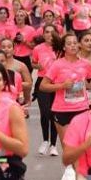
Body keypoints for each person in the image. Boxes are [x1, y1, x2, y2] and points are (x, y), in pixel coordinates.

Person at [41, 32, 91, 141]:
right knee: (68, 149)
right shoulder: (57, 64)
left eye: (75, 43)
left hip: (82, 108)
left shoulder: (86, 64)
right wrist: (62, 86)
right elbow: (43, 86)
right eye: (69, 44)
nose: (73, 45)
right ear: (64, 47)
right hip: (62, 110)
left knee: (81, 146)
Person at [32, 25, 62, 156]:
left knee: (53, 113)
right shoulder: (38, 48)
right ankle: (45, 141)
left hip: (56, 82)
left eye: (52, 32)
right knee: (44, 112)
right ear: (43, 34)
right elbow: (33, 63)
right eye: (47, 32)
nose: (49, 34)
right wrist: (37, 65)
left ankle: (53, 145)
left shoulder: (60, 48)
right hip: (42, 81)